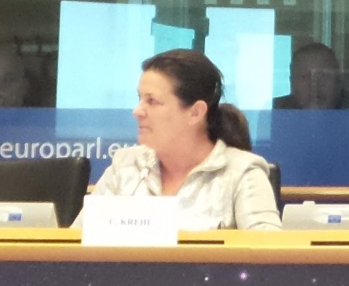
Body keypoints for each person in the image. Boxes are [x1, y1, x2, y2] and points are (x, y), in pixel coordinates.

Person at [82, 50, 279, 231]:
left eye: (152, 101)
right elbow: (75, 243)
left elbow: (269, 252)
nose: (137, 111)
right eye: (140, 98)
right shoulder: (125, 166)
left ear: (195, 112)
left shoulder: (241, 173)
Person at [272, 41, 344, 110]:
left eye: (323, 76)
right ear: (292, 83)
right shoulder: (273, 111)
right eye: (304, 77)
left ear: (338, 81)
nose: (314, 85)